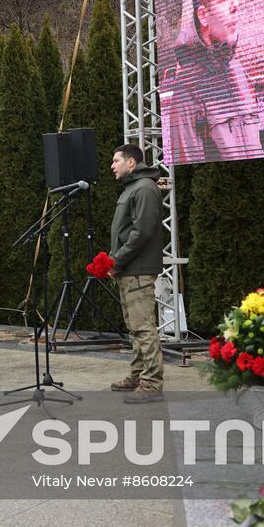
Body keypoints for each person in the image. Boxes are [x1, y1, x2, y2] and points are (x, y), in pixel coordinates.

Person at [165, 0, 264, 163]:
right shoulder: (186, 93)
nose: (236, 4)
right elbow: (189, 174)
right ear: (203, 15)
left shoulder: (239, 73)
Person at [107, 143, 166, 403]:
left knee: (143, 328)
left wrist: (117, 260)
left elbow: (141, 232)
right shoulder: (133, 187)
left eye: (116, 160)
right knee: (135, 328)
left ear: (131, 163)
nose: (112, 165)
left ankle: (152, 384)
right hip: (129, 269)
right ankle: (138, 374)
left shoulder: (144, 188)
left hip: (138, 269)